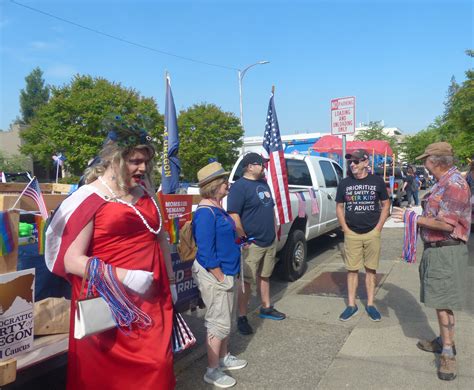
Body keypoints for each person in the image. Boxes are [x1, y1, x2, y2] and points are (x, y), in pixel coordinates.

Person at [45, 117, 176, 389]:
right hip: (108, 305)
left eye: (145, 161)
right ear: (115, 159)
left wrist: (172, 280)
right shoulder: (91, 197)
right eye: (135, 161)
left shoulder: (146, 193)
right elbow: (72, 260)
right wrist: (125, 277)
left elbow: (160, 237)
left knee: (159, 367)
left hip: (152, 300)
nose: (142, 168)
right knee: (105, 379)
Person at [393, 142, 471, 381]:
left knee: (444, 301)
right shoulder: (445, 182)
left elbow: (447, 225)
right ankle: (443, 340)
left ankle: (448, 352)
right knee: (439, 299)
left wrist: (412, 217)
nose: (424, 163)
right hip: (437, 250)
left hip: (445, 251)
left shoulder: (455, 184)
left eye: (426, 159)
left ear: (436, 161)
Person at [192, 161, 247, 388]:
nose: (228, 184)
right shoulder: (205, 213)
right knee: (218, 322)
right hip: (216, 274)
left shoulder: (216, 209)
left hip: (226, 271)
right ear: (214, 185)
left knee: (224, 319)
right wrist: (220, 276)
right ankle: (212, 370)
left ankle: (223, 358)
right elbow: (205, 252)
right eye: (225, 180)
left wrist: (238, 242)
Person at [227, 152, 286, 336]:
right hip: (252, 243)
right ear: (250, 166)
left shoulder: (263, 183)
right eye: (261, 164)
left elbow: (270, 207)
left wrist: (275, 229)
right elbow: (234, 214)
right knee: (246, 281)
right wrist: (243, 238)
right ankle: (242, 317)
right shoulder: (239, 187)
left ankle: (266, 307)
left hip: (269, 239)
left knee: (265, 275)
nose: (264, 167)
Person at [335, 149, 390, 322]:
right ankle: (351, 305)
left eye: (356, 161)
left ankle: (371, 304)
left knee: (371, 270)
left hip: (372, 232)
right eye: (350, 162)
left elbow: (386, 204)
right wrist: (345, 228)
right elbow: (339, 207)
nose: (352, 164)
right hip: (352, 233)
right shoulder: (345, 183)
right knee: (352, 270)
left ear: (366, 162)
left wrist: (379, 228)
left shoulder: (377, 181)